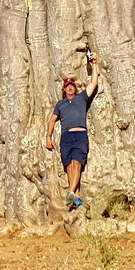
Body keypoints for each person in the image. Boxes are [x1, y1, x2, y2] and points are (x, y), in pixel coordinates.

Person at [45, 54, 98, 209]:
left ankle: (70, 192)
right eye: (67, 85)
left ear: (75, 88)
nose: (70, 87)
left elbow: (94, 83)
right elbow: (52, 120)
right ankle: (76, 198)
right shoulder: (60, 104)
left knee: (77, 163)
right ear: (63, 89)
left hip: (80, 135)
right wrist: (48, 137)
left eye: (72, 85)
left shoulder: (81, 98)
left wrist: (94, 65)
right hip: (66, 137)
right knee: (69, 166)